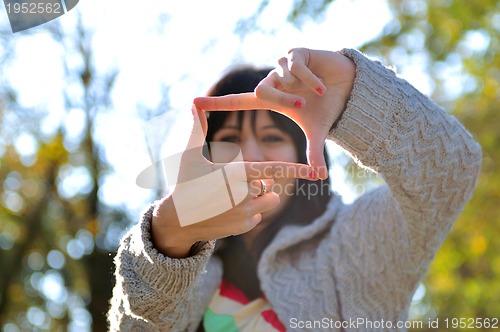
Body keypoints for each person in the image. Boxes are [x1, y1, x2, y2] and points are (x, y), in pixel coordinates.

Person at [107, 47, 482, 331]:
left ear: (303, 154)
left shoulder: (357, 243)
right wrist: (172, 230)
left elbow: (451, 168)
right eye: (231, 138)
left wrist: (354, 91)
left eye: (271, 137)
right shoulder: (181, 272)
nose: (250, 156)